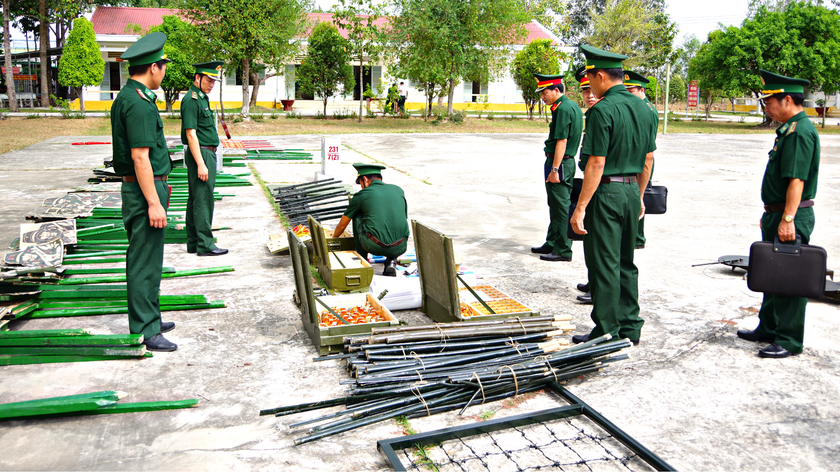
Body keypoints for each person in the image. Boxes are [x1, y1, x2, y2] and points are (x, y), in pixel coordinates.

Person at [569, 45, 655, 346]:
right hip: (632, 190)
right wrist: (640, 195)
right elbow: (648, 159)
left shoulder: (603, 109)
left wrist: (580, 208)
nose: (589, 86)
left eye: (590, 79)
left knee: (604, 263)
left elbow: (596, 162)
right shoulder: (644, 108)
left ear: (601, 76)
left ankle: (606, 331)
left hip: (606, 192)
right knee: (625, 262)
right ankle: (630, 327)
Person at [736, 70, 820, 359]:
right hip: (778, 213)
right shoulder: (788, 129)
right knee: (771, 274)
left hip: (791, 216)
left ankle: (789, 339)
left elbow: (796, 180)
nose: (766, 108)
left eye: (769, 102)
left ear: (787, 100)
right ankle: (769, 327)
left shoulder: (800, 131)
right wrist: (773, 213)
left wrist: (787, 219)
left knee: (788, 279)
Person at [111, 32, 176, 352]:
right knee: (143, 260)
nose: (164, 72)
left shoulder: (131, 97)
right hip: (142, 193)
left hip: (148, 187)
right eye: (163, 66)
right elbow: (139, 157)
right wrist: (153, 201)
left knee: (150, 259)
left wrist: (162, 181)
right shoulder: (137, 104)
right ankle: (145, 327)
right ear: (153, 67)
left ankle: (150, 315)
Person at [530, 73, 583, 262]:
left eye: (544, 93)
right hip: (561, 162)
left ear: (556, 90)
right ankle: (552, 241)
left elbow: (562, 141)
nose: (542, 97)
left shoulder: (563, 109)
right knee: (555, 204)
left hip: (559, 163)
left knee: (561, 207)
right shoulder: (569, 106)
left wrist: (554, 170)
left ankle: (562, 249)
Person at [181, 61, 227, 257]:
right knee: (203, 200)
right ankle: (205, 245)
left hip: (205, 152)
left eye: (214, 81)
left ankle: (194, 242)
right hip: (201, 153)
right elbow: (191, 134)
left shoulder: (200, 98)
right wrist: (201, 163)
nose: (211, 84)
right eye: (208, 80)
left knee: (195, 199)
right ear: (197, 78)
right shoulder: (192, 100)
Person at [332, 163, 410, 276]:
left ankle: (362, 259)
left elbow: (341, 226)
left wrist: (333, 239)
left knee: (357, 213)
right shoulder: (398, 190)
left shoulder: (362, 195)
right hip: (400, 246)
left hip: (374, 246)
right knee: (393, 218)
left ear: (365, 179)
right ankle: (391, 261)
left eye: (361, 183)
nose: (361, 187)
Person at [623, 70, 658, 249]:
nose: (628, 95)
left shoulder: (648, 110)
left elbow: (648, 144)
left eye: (631, 91)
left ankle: (637, 237)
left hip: (642, 159)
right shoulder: (640, 107)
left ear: (642, 90)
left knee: (638, 196)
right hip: (635, 158)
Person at [574, 66, 599, 305]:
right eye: (584, 91)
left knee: (599, 242)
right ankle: (594, 280)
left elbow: (597, 161)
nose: (589, 95)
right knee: (592, 240)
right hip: (595, 181)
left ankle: (599, 287)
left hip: (601, 184)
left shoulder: (600, 113)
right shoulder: (591, 113)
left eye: (592, 90)